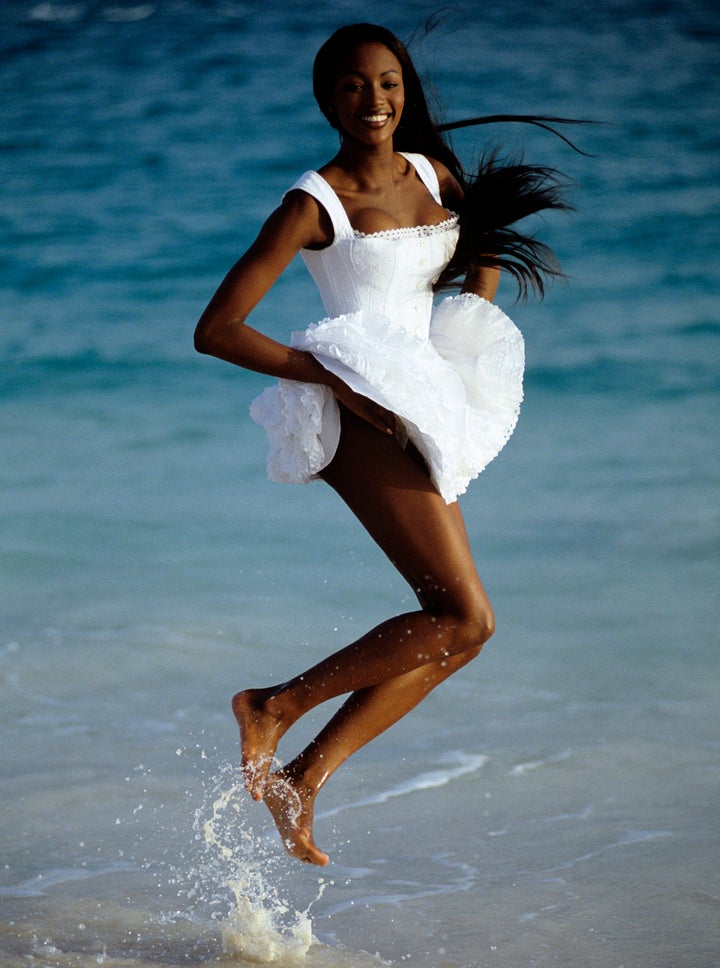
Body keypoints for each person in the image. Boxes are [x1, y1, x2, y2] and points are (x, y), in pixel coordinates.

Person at [195, 23, 572, 866]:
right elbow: (216, 330)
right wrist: (338, 379)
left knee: (466, 632)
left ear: (406, 91)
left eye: (390, 83)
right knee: (463, 614)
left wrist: (461, 328)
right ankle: (272, 705)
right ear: (328, 98)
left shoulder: (435, 174)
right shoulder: (314, 203)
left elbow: (478, 256)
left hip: (422, 398)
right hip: (356, 414)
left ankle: (304, 774)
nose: (376, 100)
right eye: (356, 86)